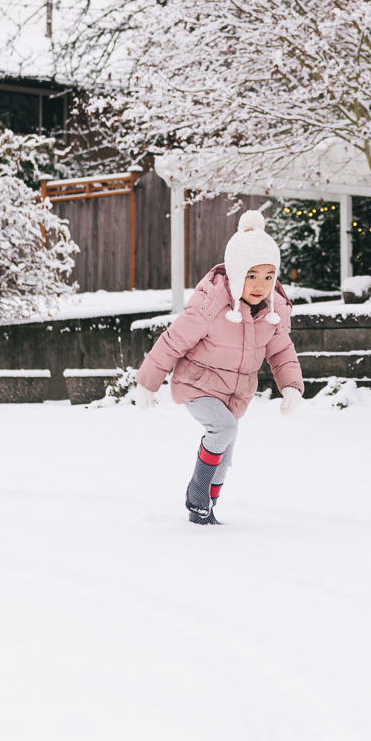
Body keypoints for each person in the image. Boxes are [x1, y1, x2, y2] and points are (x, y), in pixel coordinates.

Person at [136, 210, 304, 525]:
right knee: (223, 429)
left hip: (233, 395)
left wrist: (292, 385)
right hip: (197, 384)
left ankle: (205, 509)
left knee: (225, 457)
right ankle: (197, 493)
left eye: (269, 276)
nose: (260, 285)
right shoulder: (211, 303)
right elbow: (173, 341)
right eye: (252, 276)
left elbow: (281, 349)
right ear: (236, 273)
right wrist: (148, 381)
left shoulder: (274, 310)